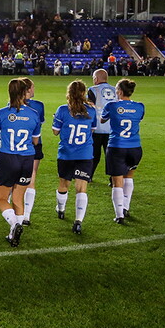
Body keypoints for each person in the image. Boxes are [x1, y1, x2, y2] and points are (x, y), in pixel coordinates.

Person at [0, 79, 42, 247]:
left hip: (7, 158)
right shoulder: (34, 114)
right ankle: (14, 235)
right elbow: (35, 141)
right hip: (27, 160)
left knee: (1, 198)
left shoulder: (1, 113)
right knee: (18, 199)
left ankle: (14, 224)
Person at [51, 80, 96, 234]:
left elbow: (55, 131)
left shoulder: (62, 110)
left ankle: (61, 209)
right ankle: (78, 222)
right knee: (81, 188)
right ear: (84, 93)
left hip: (66, 154)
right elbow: (92, 130)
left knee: (64, 184)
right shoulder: (92, 110)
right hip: (84, 154)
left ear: (69, 93)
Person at [101, 79, 145, 223]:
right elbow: (139, 119)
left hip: (117, 147)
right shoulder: (140, 106)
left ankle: (119, 215)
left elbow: (102, 120)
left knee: (117, 182)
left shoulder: (111, 105)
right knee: (129, 178)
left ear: (119, 91)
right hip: (135, 147)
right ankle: (126, 207)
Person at [21, 78, 45, 226]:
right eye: (33, 87)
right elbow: (39, 124)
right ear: (28, 89)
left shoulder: (11, 105)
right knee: (31, 178)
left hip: (16, 145)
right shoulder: (39, 106)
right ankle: (27, 216)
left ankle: (12, 209)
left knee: (14, 179)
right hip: (34, 144)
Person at [87, 69, 117, 182]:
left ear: (96, 79)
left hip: (97, 127)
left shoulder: (92, 90)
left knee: (94, 154)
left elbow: (89, 108)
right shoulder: (116, 90)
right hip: (112, 128)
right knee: (111, 155)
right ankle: (113, 179)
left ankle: (88, 176)